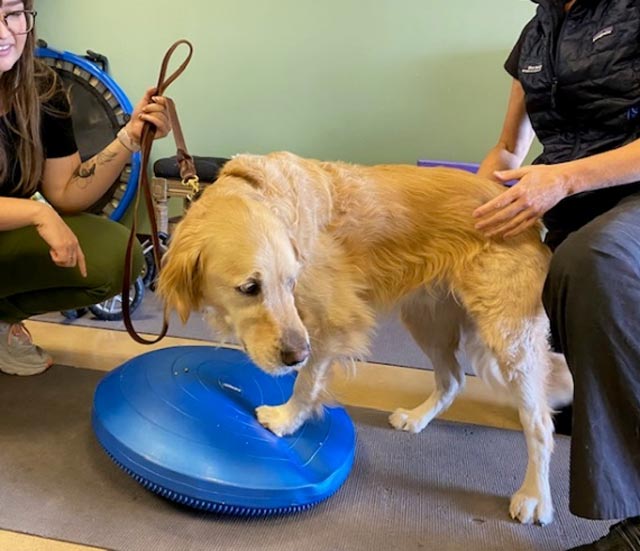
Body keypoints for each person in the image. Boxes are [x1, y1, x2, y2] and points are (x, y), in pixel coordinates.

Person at [473, 0, 640, 549]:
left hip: (625, 195)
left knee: (589, 264)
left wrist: (563, 180)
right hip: (575, 201)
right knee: (521, 273)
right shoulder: (537, 31)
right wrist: (464, 211)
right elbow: (507, 147)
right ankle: (591, 398)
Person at [0, 1, 171, 376]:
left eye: (11, 14)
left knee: (115, 256)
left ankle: (1, 320)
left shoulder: (42, 90)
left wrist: (130, 137)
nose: (3, 32)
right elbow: (47, 207)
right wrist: (36, 212)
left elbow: (66, 192)